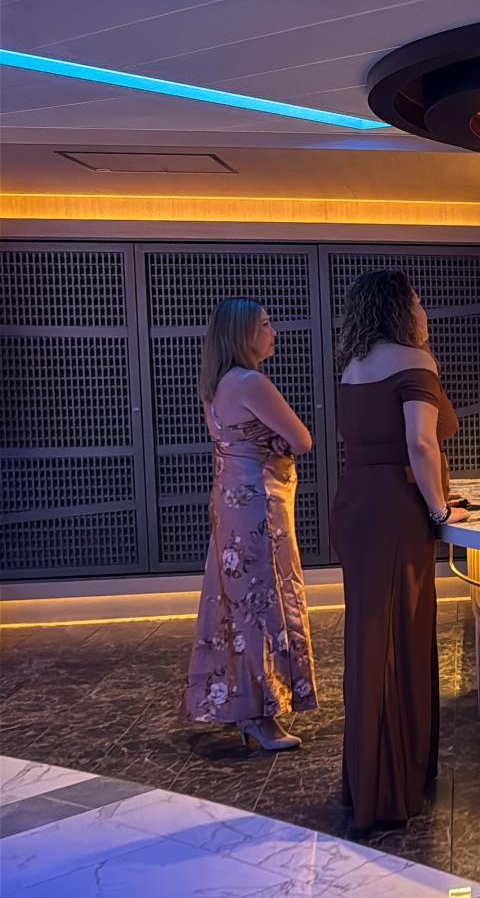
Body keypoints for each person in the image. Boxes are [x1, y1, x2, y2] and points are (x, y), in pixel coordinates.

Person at [331, 270, 469, 831]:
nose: (423, 308)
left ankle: (368, 778)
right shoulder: (415, 361)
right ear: (399, 308)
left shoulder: (353, 366)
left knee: (370, 640)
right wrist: (439, 511)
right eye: (417, 299)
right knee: (400, 637)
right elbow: (420, 443)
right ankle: (390, 787)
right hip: (395, 510)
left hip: (356, 506)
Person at [183, 298, 317, 751]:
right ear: (244, 334)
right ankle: (261, 715)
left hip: (230, 505)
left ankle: (242, 706)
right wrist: (278, 440)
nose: (273, 332)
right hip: (260, 506)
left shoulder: (216, 385)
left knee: (235, 605)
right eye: (265, 324)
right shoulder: (251, 382)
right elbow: (302, 439)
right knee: (265, 604)